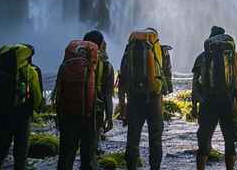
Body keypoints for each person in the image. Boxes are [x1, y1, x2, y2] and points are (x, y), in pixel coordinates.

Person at [55, 30, 115, 170]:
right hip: (93, 116)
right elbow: (107, 95)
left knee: (66, 155)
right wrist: (109, 117)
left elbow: (59, 89)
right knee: (88, 157)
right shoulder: (106, 66)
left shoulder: (68, 62)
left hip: (68, 113)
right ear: (101, 45)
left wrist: (59, 114)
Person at [0, 43, 44, 170]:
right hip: (23, 116)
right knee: (21, 153)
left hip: (2, 116)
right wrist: (37, 109)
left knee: (0, 151)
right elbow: (37, 95)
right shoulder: (31, 71)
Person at [192, 26, 237, 170]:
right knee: (229, 141)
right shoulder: (234, 56)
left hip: (208, 102)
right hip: (228, 102)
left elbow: (195, 83)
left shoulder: (203, 56)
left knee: (204, 140)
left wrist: (194, 105)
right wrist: (236, 102)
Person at [119, 28, 166, 170]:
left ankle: (131, 166)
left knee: (133, 139)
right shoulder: (160, 51)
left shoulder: (129, 51)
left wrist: (122, 106)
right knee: (155, 139)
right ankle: (155, 167)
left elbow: (122, 79)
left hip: (134, 99)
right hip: (154, 100)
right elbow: (165, 79)